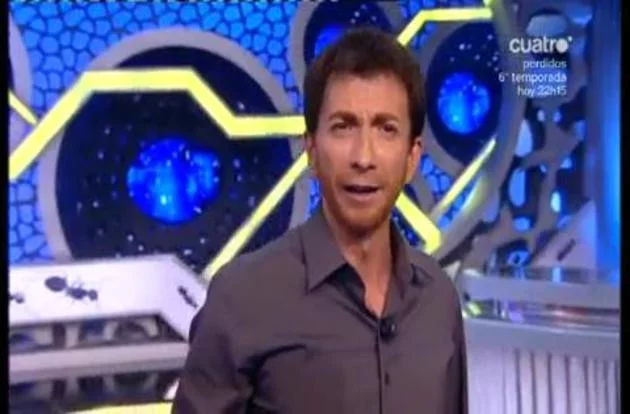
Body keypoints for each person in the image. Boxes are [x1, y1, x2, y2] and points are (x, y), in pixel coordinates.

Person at [173, 27, 467, 414]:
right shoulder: (241, 298)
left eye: (386, 129)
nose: (363, 157)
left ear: (412, 158)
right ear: (311, 150)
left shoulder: (438, 300)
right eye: (343, 127)